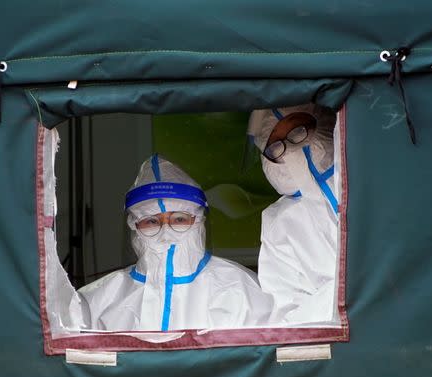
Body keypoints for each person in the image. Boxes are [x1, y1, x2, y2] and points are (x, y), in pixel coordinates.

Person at [78, 154, 271, 331]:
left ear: (200, 222)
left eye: (179, 219)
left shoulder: (242, 290)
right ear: (134, 227)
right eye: (151, 221)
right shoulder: (96, 302)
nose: (166, 232)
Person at [247, 104, 339, 325]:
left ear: (324, 123)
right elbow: (288, 315)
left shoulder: (373, 177)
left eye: (298, 131)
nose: (292, 152)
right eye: (276, 147)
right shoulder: (279, 223)